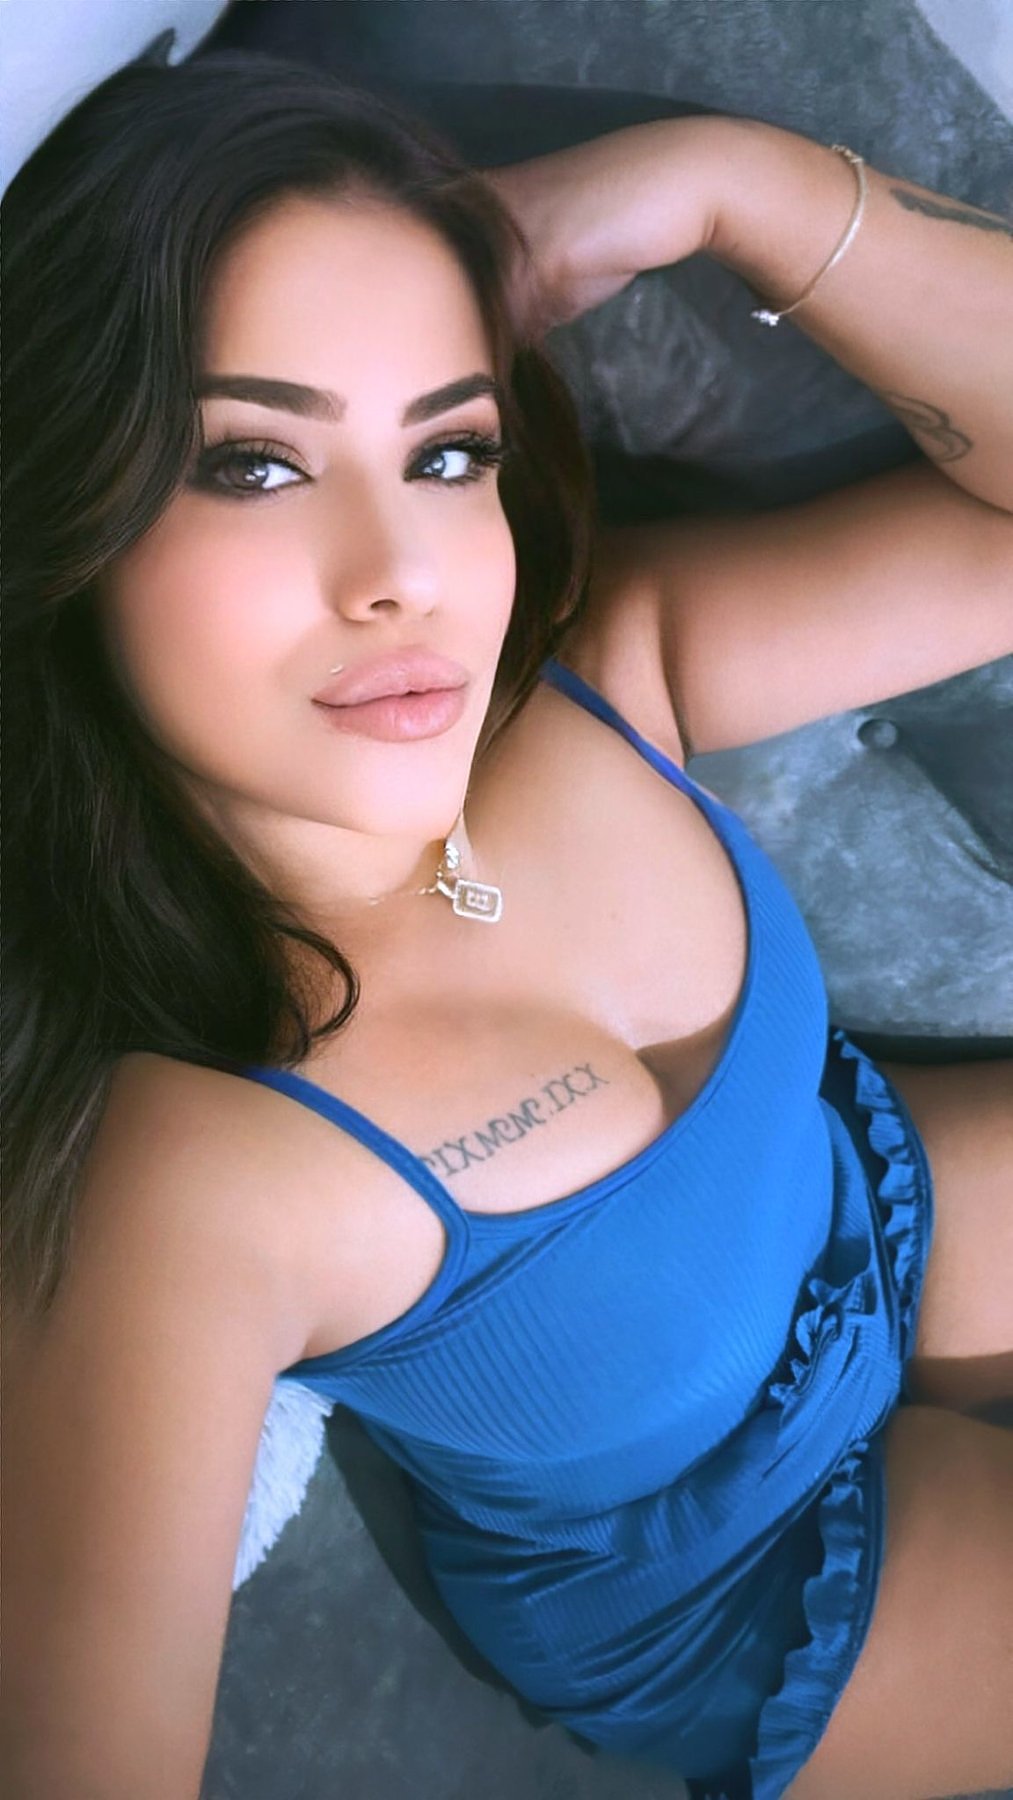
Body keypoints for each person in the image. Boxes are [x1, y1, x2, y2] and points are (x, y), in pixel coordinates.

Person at [2, 45, 1011, 1800]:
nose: (399, 571)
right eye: (254, 466)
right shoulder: (198, 1175)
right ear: (69, 514)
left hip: (878, 1219)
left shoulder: (590, 680)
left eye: (447, 448)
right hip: (744, 1594)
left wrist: (731, 184)